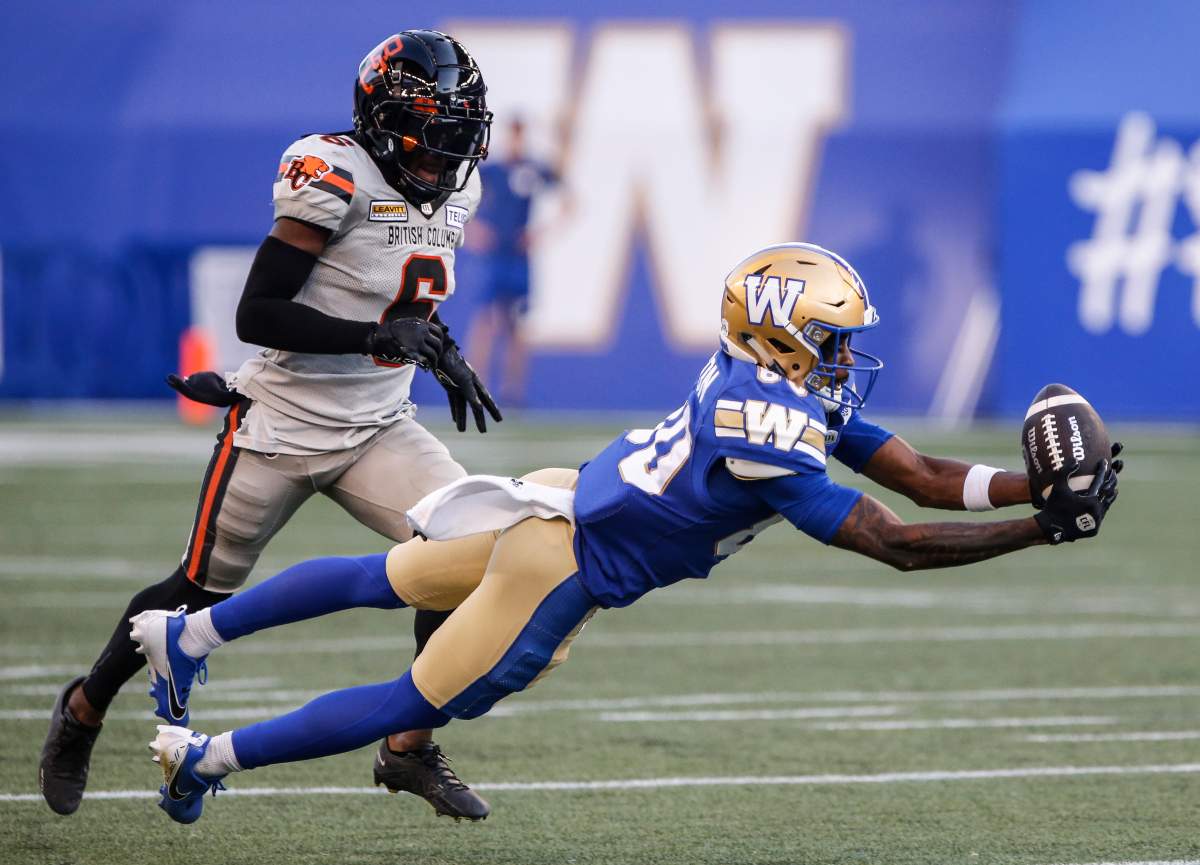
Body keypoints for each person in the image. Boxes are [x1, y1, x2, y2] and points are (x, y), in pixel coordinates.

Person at [127, 243, 1121, 824]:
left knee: (384, 576)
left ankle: (191, 635)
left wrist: (1027, 484)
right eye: (833, 340)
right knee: (408, 693)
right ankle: (200, 757)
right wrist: (1046, 526)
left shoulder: (770, 379)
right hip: (567, 562)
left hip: (565, 499)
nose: (847, 356)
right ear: (783, 337)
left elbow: (920, 473)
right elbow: (896, 538)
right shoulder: (768, 424)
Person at [39, 30, 502, 821]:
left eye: (455, 141)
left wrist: (439, 347)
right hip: (281, 423)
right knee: (194, 588)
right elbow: (257, 313)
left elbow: (397, 296)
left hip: (379, 425)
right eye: (430, 141)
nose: (441, 162)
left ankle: (409, 747)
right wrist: (371, 338)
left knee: (465, 553)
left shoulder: (458, 191)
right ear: (384, 122)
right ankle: (82, 708)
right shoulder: (331, 171)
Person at [464, 117, 564, 405]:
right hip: (495, 257)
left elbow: (569, 200)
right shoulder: (491, 171)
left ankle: (512, 392)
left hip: (519, 258)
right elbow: (458, 200)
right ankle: (473, 386)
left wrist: (541, 232)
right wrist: (474, 231)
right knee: (487, 320)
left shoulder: (533, 169)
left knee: (518, 325)